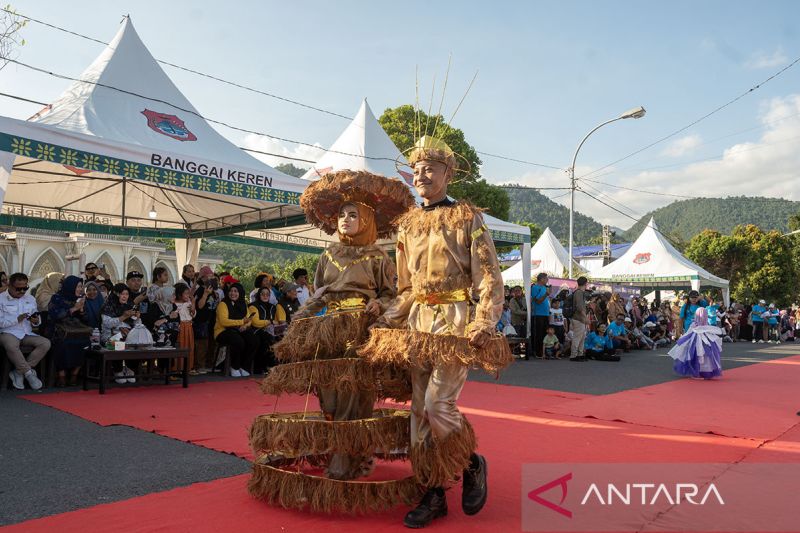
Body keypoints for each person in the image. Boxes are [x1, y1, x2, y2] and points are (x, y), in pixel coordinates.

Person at [362, 135, 510, 528]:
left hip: (454, 323)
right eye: (417, 168)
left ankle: (471, 461)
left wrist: (484, 321)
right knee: (417, 414)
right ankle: (433, 492)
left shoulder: (467, 217)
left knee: (437, 405)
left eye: (431, 168)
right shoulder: (406, 224)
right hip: (417, 326)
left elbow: (489, 276)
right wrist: (387, 317)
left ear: (449, 172)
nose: (422, 174)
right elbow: (407, 288)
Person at [265, 169, 411, 483]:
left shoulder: (378, 256)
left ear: (367, 220)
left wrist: (379, 304)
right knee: (329, 396)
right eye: (342, 214)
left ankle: (346, 460)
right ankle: (345, 448)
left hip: (361, 329)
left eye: (353, 214)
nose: (345, 219)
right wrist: (299, 321)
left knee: (352, 396)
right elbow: (319, 294)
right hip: (328, 330)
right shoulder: (328, 255)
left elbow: (391, 294)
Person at [1, 273, 50, 390]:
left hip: (26, 333)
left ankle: (19, 372)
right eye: (19, 288)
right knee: (11, 345)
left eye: (25, 288)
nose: (22, 291)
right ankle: (28, 374)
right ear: (10, 286)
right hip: (7, 332)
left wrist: (36, 321)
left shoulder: (30, 299)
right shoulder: (1, 299)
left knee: (45, 343)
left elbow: (37, 319)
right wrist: (16, 319)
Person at [47, 275, 91, 387]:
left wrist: (81, 310)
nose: (80, 289)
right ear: (70, 287)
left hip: (76, 331)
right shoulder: (57, 298)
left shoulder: (79, 299)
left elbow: (86, 321)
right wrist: (74, 308)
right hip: (59, 330)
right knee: (62, 343)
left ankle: (74, 374)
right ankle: (61, 375)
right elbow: (56, 315)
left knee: (87, 343)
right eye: (78, 286)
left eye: (81, 287)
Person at [214, 282, 258, 377]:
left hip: (238, 330)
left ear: (240, 293)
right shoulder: (223, 304)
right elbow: (223, 321)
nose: (233, 293)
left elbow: (249, 319)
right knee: (238, 341)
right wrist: (242, 322)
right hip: (223, 331)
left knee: (253, 340)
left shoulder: (243, 304)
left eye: (236, 291)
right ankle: (234, 366)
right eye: (231, 291)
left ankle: (244, 366)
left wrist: (245, 326)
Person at [668, 307, 723, 379]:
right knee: (706, 356)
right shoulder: (706, 325)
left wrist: (683, 339)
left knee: (696, 355)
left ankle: (697, 372)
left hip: (696, 341)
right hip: (706, 341)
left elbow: (688, 333)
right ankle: (706, 372)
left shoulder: (695, 324)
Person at [100, 283, 138, 384]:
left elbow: (137, 324)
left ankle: (129, 368)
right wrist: (123, 317)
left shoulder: (130, 306)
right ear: (116, 294)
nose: (125, 296)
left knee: (137, 345)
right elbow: (107, 324)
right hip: (109, 338)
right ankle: (118, 370)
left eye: (126, 294)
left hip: (127, 337)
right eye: (122, 294)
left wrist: (137, 318)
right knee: (119, 345)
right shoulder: (108, 306)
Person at [248, 287, 283, 373]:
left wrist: (277, 325)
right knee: (267, 338)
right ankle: (263, 366)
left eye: (267, 294)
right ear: (258, 295)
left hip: (270, 330)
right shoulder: (253, 306)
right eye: (262, 294)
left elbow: (277, 321)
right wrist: (270, 322)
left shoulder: (272, 307)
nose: (265, 296)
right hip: (256, 330)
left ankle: (279, 365)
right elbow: (255, 322)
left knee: (281, 337)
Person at [174, 283, 196, 374]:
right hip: (180, 326)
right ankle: (177, 368)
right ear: (179, 294)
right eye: (186, 293)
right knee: (180, 346)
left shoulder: (189, 303)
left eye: (188, 293)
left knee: (189, 346)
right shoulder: (174, 304)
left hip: (188, 327)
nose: (188, 295)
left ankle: (188, 367)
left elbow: (193, 315)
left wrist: (193, 308)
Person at [530, 273, 550, 362]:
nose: (547, 280)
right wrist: (546, 294)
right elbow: (537, 301)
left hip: (545, 314)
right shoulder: (535, 288)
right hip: (538, 314)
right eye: (546, 278)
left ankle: (544, 352)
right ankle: (537, 352)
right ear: (541, 279)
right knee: (538, 334)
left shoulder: (544, 288)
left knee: (545, 333)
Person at [569, 276, 589, 362]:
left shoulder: (579, 292)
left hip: (579, 318)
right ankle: (574, 355)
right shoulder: (579, 293)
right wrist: (585, 318)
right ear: (585, 283)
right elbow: (580, 307)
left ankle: (580, 354)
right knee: (578, 337)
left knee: (581, 337)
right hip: (578, 318)